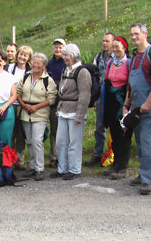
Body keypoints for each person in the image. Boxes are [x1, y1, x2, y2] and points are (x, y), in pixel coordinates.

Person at [123, 23, 151, 195]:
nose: (133, 37)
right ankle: (143, 174)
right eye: (131, 34)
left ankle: (148, 180)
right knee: (140, 141)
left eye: (136, 34)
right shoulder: (134, 58)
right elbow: (131, 83)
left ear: (145, 34)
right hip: (136, 105)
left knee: (147, 141)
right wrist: (127, 104)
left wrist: (149, 102)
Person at [50, 44, 92, 180]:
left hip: (75, 112)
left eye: (66, 55)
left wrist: (80, 115)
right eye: (64, 55)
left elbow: (85, 95)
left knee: (74, 142)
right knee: (61, 141)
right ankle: (62, 168)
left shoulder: (83, 72)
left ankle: (75, 169)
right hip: (63, 110)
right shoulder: (66, 70)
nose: (64, 57)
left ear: (73, 55)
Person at [17, 52, 57, 181]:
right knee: (29, 141)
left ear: (44, 65)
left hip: (40, 114)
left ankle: (40, 169)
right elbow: (18, 92)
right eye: (34, 62)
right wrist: (24, 105)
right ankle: (33, 167)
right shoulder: (26, 77)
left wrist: (36, 107)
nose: (35, 65)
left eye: (38, 63)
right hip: (25, 113)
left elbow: (52, 98)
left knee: (37, 141)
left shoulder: (48, 80)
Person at [102, 36, 133, 180]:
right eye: (113, 47)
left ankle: (122, 166)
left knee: (123, 135)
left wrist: (127, 104)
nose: (114, 49)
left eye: (117, 47)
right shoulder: (110, 63)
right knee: (114, 134)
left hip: (123, 102)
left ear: (124, 48)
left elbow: (130, 85)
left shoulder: (129, 64)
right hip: (111, 102)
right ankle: (115, 164)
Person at [85, 33, 115, 167]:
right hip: (101, 95)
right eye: (103, 41)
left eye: (107, 41)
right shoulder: (98, 57)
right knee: (99, 126)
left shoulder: (118, 57)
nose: (105, 43)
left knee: (114, 126)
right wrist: (95, 97)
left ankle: (115, 154)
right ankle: (98, 153)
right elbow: (94, 78)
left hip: (114, 95)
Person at [7, 45, 33, 170]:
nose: (22, 57)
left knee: (21, 134)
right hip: (11, 104)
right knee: (10, 133)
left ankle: (20, 160)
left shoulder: (30, 71)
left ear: (28, 58)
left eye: (25, 55)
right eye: (20, 54)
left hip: (24, 105)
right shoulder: (10, 68)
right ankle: (9, 159)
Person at [46, 38, 66, 168]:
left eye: (60, 47)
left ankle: (61, 156)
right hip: (50, 99)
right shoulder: (49, 63)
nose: (58, 49)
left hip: (63, 99)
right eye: (56, 47)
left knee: (61, 129)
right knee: (53, 129)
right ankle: (53, 156)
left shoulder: (67, 62)